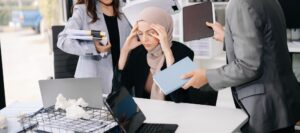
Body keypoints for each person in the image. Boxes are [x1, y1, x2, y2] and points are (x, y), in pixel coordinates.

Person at [181, 0, 300, 132]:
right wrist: (227, 37)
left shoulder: (240, 4)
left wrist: (207, 76)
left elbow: (249, 65)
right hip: (282, 101)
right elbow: (265, 44)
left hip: (264, 107)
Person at [117, 7, 194, 102]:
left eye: (151, 33)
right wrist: (124, 51)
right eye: (140, 33)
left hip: (175, 114)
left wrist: (167, 53)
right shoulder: (138, 53)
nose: (144, 39)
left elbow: (178, 98)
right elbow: (118, 92)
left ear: (164, 31)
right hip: (147, 113)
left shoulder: (184, 53)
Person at [57, 0, 131, 94]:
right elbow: (63, 40)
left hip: (122, 81)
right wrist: (93, 48)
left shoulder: (126, 9)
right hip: (93, 84)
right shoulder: (83, 11)